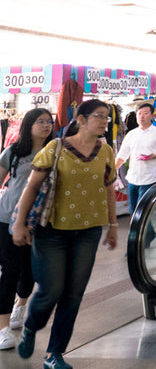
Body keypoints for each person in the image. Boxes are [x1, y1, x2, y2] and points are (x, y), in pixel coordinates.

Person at [13, 99, 118, 369]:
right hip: (52, 232)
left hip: (88, 232)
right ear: (81, 119)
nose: (105, 121)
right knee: (51, 290)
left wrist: (113, 226)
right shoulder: (55, 147)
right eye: (99, 116)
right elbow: (31, 187)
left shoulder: (105, 151)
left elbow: (108, 189)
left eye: (107, 116)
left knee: (73, 294)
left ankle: (54, 354)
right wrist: (19, 224)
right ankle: (31, 327)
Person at [0, 108, 54, 350]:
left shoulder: (56, 153)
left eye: (49, 121)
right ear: (29, 124)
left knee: (30, 272)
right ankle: (2, 329)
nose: (46, 125)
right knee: (9, 272)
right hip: (6, 218)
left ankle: (20, 306)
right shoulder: (14, 152)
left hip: (40, 222)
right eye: (40, 121)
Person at [114, 103, 156, 248]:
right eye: (139, 113)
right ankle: (149, 233)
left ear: (152, 115)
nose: (142, 116)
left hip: (149, 178)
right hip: (133, 177)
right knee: (133, 210)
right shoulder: (131, 134)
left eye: (145, 113)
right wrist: (112, 171)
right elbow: (123, 154)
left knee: (141, 210)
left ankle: (139, 243)